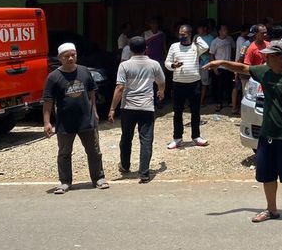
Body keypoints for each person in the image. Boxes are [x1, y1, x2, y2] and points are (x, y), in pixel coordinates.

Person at [203, 41, 282, 223]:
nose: (265, 57)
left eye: (270, 55)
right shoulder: (264, 71)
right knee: (267, 172)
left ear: (280, 57)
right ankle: (271, 209)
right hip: (267, 133)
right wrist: (221, 63)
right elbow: (243, 67)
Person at [42, 42, 108, 194]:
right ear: (60, 58)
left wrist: (95, 112)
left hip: (86, 119)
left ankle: (98, 177)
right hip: (65, 122)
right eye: (67, 56)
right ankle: (65, 182)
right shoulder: (53, 77)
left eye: (73, 55)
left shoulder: (85, 71)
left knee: (94, 151)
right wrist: (47, 122)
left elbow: (91, 93)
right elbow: (48, 101)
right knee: (64, 152)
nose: (71, 58)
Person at [109, 36, 165, 183]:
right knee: (146, 140)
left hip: (128, 106)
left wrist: (112, 108)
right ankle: (144, 173)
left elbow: (120, 87)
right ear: (146, 48)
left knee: (126, 137)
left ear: (130, 49)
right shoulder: (154, 64)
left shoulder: (124, 65)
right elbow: (162, 81)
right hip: (146, 107)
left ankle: (125, 166)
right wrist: (161, 91)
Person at [164, 25, 210, 149]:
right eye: (180, 34)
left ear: (190, 34)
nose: (181, 36)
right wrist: (173, 66)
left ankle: (196, 136)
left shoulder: (196, 47)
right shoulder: (174, 47)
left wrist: (197, 39)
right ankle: (177, 138)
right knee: (177, 112)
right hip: (178, 83)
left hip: (194, 84)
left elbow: (206, 47)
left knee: (195, 111)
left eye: (184, 34)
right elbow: (167, 63)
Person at [209, 24, 236, 111]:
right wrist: (214, 68)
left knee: (229, 85)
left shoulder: (229, 39)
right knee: (219, 86)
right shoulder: (215, 42)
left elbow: (233, 49)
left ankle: (229, 101)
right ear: (219, 31)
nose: (226, 31)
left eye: (226, 29)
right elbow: (211, 54)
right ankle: (219, 103)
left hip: (229, 66)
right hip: (219, 67)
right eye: (224, 29)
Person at [231, 25, 252, 116]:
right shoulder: (245, 43)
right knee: (243, 90)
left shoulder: (246, 42)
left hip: (241, 68)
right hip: (242, 69)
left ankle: (236, 108)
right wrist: (237, 68)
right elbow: (241, 57)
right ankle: (239, 109)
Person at [197, 23, 216, 107]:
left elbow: (212, 51)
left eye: (200, 28)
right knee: (196, 83)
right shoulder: (196, 37)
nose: (198, 30)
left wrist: (202, 52)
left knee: (205, 83)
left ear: (204, 28)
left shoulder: (211, 38)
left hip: (206, 63)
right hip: (197, 63)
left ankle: (201, 101)